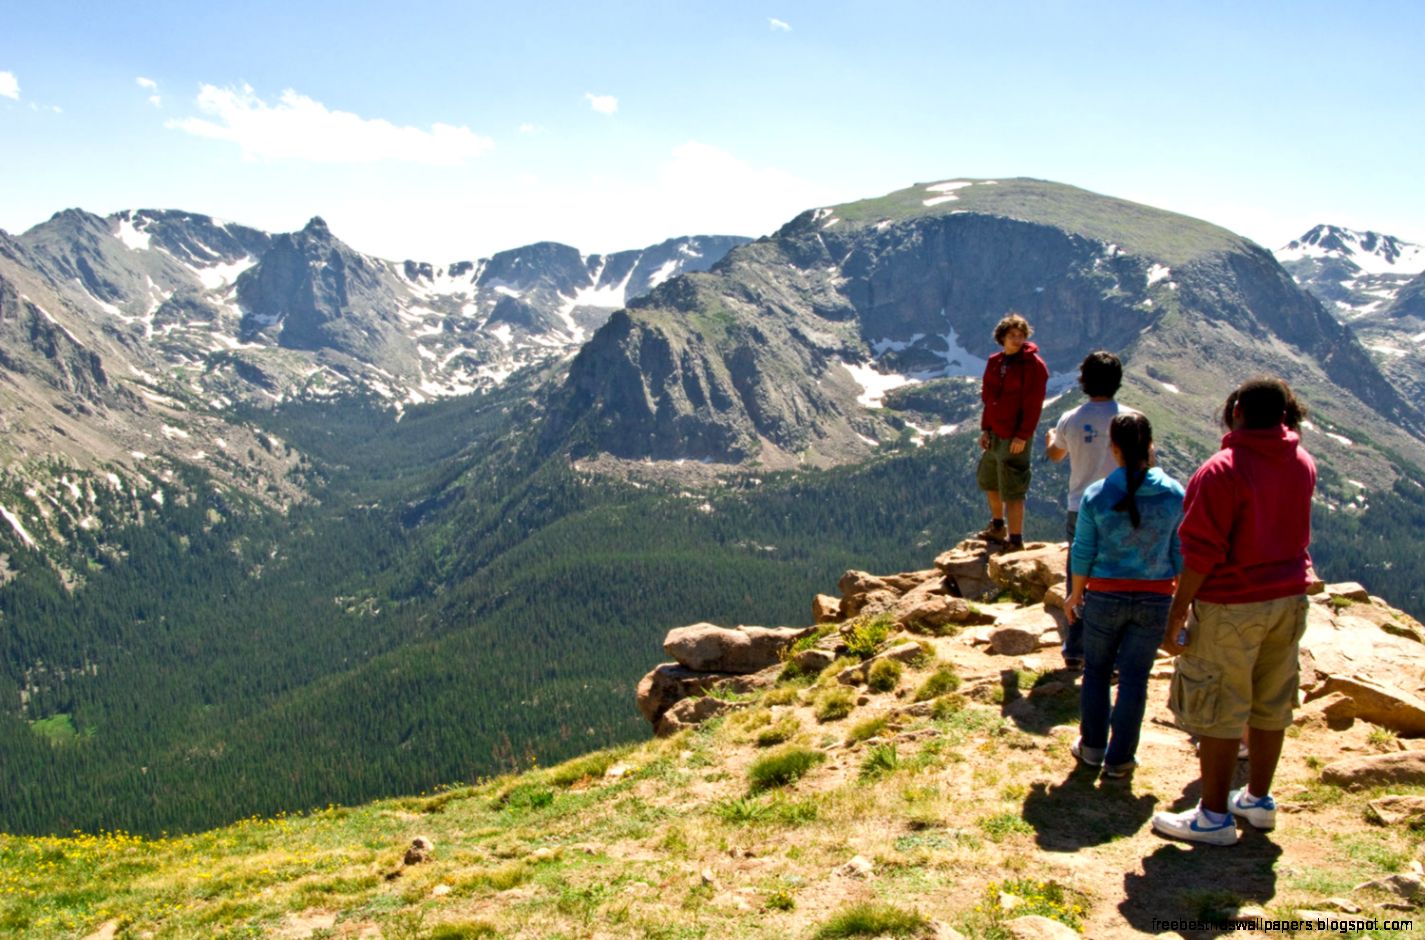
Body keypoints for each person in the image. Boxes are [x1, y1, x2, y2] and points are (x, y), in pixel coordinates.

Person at [1151, 377, 1316, 846]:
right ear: (1285, 414)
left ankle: (1213, 815)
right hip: (1288, 598)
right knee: (1271, 702)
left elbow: (1201, 552)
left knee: (1219, 706)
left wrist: (1178, 610)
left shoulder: (1222, 470)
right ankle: (1258, 800)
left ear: (1237, 409)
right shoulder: (1302, 460)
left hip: (1230, 603)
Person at [1064, 413, 1184, 779]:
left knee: (1097, 672)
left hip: (1104, 596)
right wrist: (1180, 593)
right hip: (1156, 597)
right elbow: (1179, 548)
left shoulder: (1097, 495)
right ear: (1151, 447)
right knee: (1135, 677)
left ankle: (1092, 747)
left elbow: (1083, 549)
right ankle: (1120, 759)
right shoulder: (1174, 494)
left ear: (1113, 449)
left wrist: (1075, 594)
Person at [1046, 351, 1139, 668]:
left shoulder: (1071, 418)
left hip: (1080, 505)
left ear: (1083, 381)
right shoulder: (1132, 419)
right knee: (1118, 573)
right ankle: (1112, 653)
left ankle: (1076, 648)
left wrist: (1050, 438)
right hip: (1123, 505)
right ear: (1118, 381)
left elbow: (1055, 455)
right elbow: (1146, 464)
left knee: (1079, 575)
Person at [976, 312, 1049, 552]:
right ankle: (997, 526)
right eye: (1012, 336)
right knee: (990, 480)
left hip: (1015, 436)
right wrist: (985, 429)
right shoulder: (995, 362)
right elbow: (989, 399)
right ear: (1002, 338)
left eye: (1021, 336)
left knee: (1014, 487)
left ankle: (1015, 540)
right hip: (995, 432)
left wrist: (1023, 435)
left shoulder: (1033, 366)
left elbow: (1033, 404)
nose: (1017, 340)